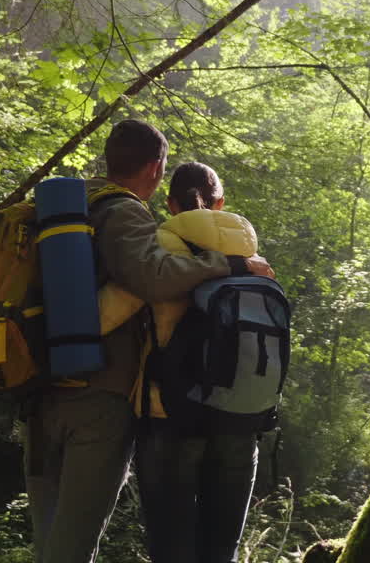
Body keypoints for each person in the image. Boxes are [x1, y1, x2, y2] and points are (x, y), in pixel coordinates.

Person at [23, 120, 272, 563]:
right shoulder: (249, 260)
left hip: (50, 385)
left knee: (56, 536)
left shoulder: (69, 208)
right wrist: (229, 265)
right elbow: (151, 280)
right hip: (193, 409)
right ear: (156, 168)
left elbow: (105, 309)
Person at [107, 161, 265, 563]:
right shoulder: (253, 258)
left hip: (171, 417)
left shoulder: (161, 249)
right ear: (221, 202)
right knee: (220, 554)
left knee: (171, 551)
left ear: (171, 203)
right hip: (241, 421)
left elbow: (101, 317)